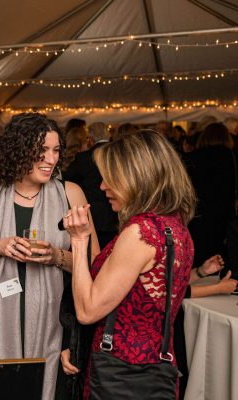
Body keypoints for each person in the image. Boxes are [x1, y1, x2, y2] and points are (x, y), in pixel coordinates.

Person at [0, 113, 99, 400]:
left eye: (56, 150)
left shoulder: (70, 195)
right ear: (18, 150)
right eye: (42, 151)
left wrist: (56, 256)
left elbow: (95, 266)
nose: (51, 159)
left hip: (58, 327)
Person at [63, 130, 196, 399]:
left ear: (136, 177)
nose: (103, 186)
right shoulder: (174, 226)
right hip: (155, 368)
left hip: (120, 374)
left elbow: (87, 311)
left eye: (111, 178)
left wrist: (78, 240)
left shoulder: (140, 232)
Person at [186, 122, 235, 266]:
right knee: (220, 253)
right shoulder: (231, 156)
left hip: (198, 215)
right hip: (223, 214)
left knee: (199, 253)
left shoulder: (193, 158)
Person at [65, 122, 117, 248]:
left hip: (93, 214)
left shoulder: (83, 158)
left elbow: (67, 179)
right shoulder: (118, 154)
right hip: (116, 214)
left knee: (93, 251)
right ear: (108, 135)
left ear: (90, 139)